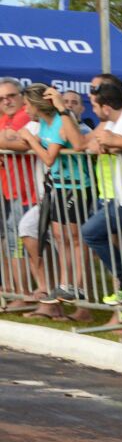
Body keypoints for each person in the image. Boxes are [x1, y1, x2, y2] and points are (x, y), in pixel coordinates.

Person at [19, 83, 92, 321]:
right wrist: (28, 138)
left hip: (77, 186)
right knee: (60, 237)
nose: (25, 109)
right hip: (59, 186)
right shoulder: (45, 124)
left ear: (36, 104)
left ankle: (77, 285)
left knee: (74, 239)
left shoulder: (61, 121)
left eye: (27, 104)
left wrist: (30, 140)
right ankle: (64, 283)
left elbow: (49, 158)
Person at [80, 81, 122, 318]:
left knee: (90, 232)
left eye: (95, 106)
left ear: (106, 107)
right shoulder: (110, 121)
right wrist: (103, 140)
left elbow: (108, 145)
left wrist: (106, 141)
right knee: (110, 238)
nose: (94, 111)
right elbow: (89, 146)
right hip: (119, 195)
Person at [0, 76, 40, 305]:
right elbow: (7, 141)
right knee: (15, 243)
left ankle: (25, 294)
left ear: (21, 96)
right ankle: (21, 291)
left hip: (29, 192)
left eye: (11, 96)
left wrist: (7, 140)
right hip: (12, 190)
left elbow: (21, 144)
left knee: (22, 243)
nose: (6, 101)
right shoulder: (6, 118)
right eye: (2, 98)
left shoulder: (25, 115)